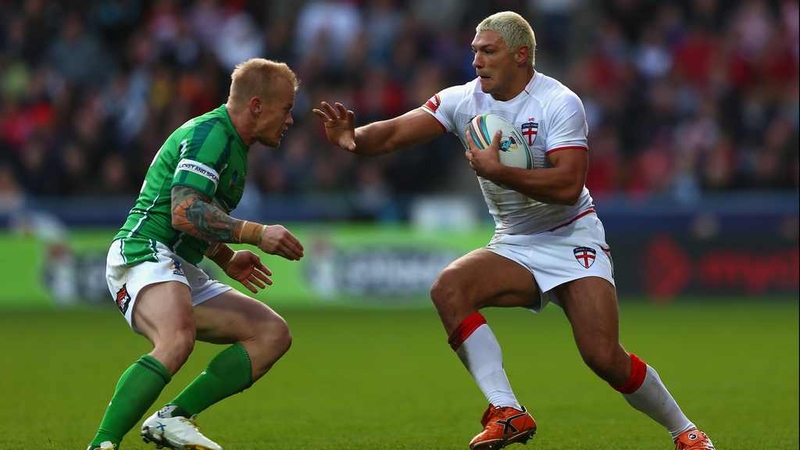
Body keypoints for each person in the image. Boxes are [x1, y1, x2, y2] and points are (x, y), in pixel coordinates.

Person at [313, 11, 716, 450]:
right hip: (516, 240)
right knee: (449, 289)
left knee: (603, 357)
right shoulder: (462, 100)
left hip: (571, 234)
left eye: (488, 51)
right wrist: (354, 138)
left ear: (521, 55)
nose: (476, 61)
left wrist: (499, 173)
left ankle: (686, 431)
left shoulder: (558, 102)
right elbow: (393, 134)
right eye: (475, 52)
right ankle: (507, 411)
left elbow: (568, 186)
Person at [86, 58, 305, 450]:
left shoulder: (234, 145)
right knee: (177, 337)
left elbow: (196, 216)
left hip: (179, 262)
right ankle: (102, 444)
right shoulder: (211, 135)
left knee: (272, 334)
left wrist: (225, 258)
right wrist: (256, 234)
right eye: (286, 108)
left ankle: (172, 418)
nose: (290, 119)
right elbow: (184, 211)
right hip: (143, 249)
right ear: (256, 105)